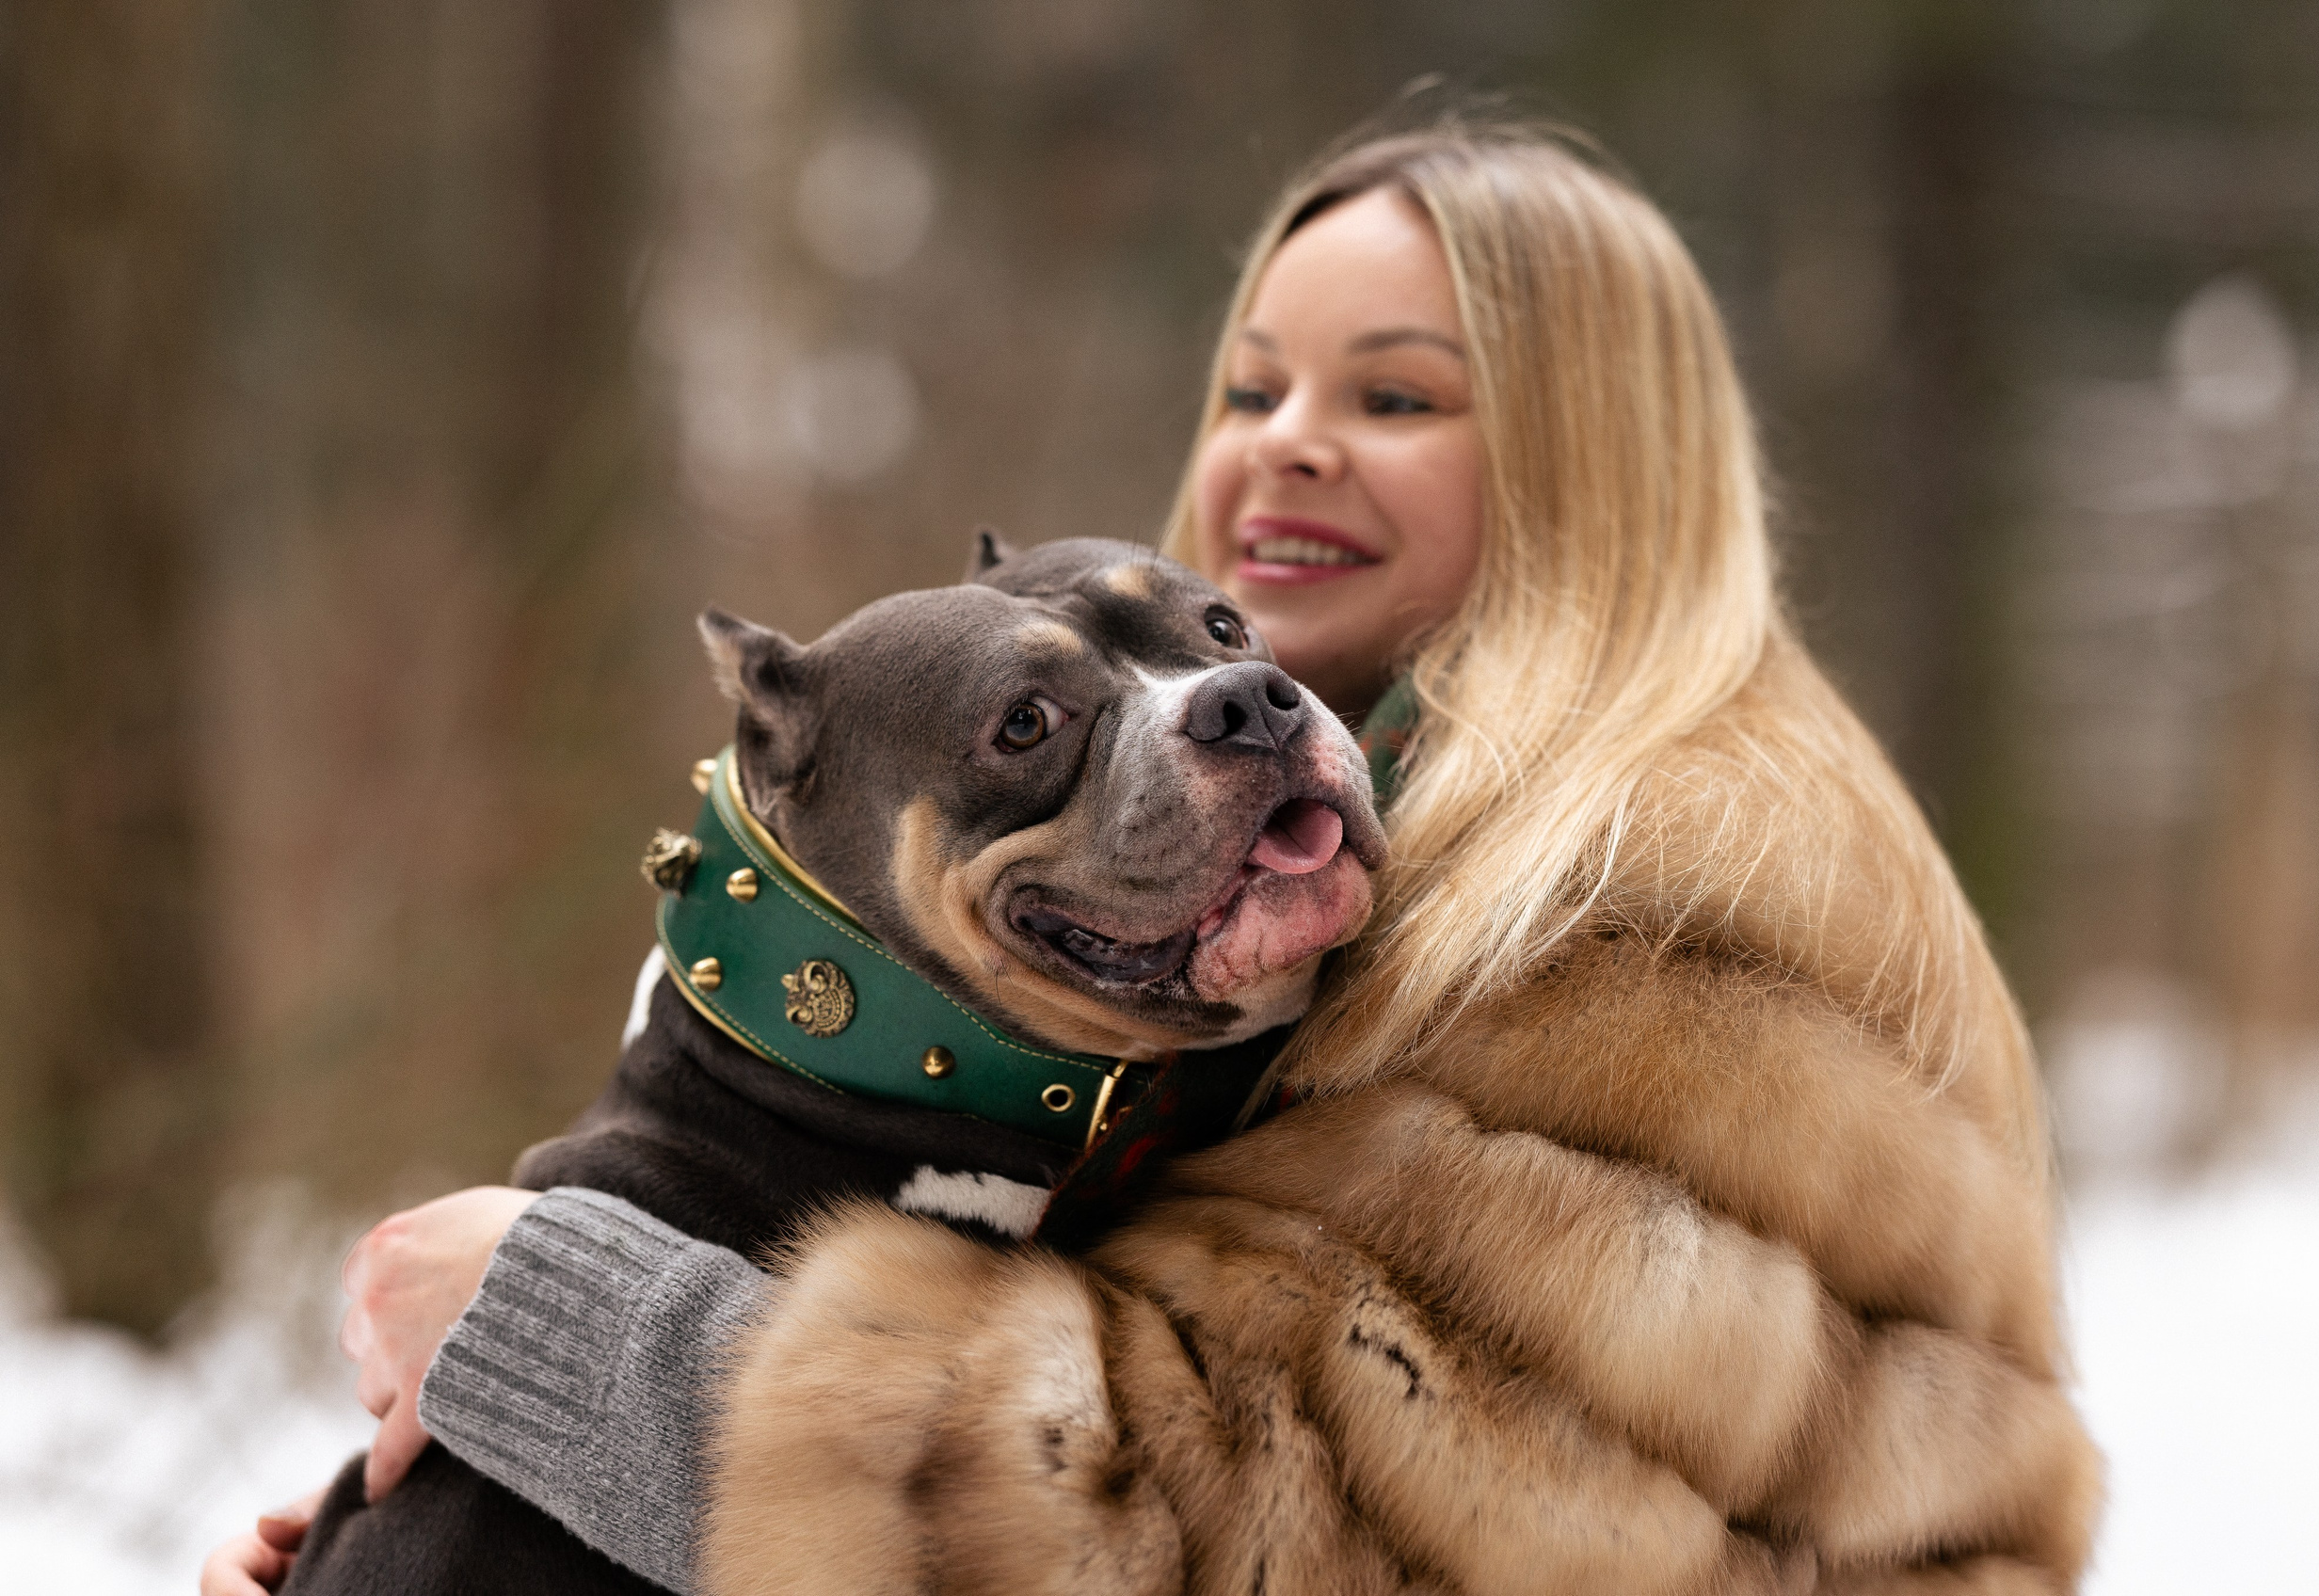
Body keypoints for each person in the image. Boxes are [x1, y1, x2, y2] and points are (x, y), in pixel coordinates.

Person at [207, 117, 2100, 1595]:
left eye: (1395, 394)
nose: (1286, 445)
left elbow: (1212, 1546)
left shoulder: (1656, 896)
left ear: (1599, 459)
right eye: (1252, 382)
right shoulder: (1381, 814)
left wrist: (564, 1335)